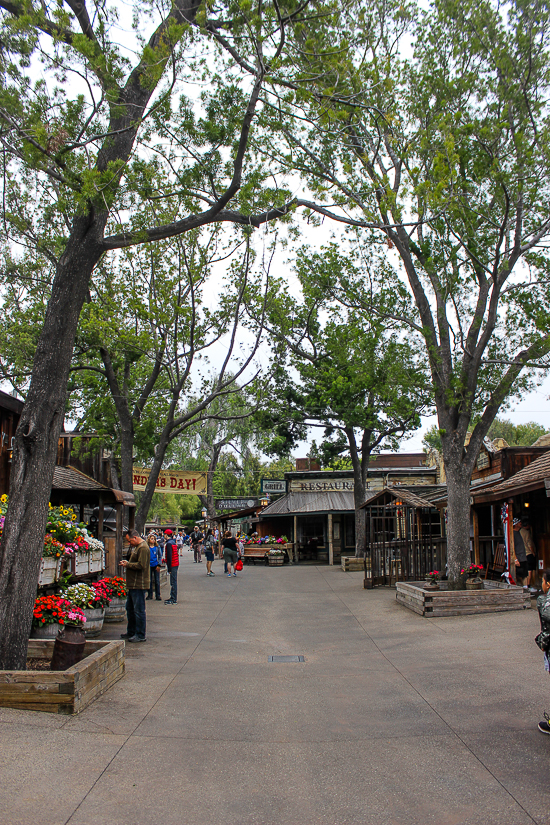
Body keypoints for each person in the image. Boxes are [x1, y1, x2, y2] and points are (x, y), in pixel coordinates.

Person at [119, 529, 150, 643]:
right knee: (130, 609)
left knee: (139, 610)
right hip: (133, 584)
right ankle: (131, 631)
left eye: (130, 541)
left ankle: (140, 634)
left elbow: (142, 565)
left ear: (135, 538)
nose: (129, 543)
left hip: (139, 583)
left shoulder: (143, 548)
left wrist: (128, 564)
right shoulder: (138, 547)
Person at [536, 571, 550, 734]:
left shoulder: (546, 601)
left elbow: (547, 627)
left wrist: (543, 643)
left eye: (543, 581)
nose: (542, 583)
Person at [520, 518, 538, 594]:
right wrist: (533, 552)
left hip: (522, 553)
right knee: (530, 570)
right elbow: (529, 544)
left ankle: (525, 585)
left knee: (525, 570)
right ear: (527, 525)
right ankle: (528, 585)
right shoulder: (526, 533)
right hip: (528, 553)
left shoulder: (519, 532)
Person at [163, 529, 179, 605]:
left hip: (172, 563)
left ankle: (173, 598)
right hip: (175, 563)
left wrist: (168, 568)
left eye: (164, 534)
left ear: (166, 535)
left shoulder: (169, 544)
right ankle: (173, 597)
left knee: (173, 581)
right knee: (174, 581)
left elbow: (169, 556)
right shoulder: (173, 542)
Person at [512, 518, 529, 589]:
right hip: (518, 558)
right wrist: (515, 559)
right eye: (519, 522)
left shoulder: (519, 532)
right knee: (518, 575)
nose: (520, 523)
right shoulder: (513, 534)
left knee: (525, 574)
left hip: (523, 556)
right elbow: (512, 548)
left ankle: (525, 588)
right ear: (515, 524)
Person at [146, 534, 162, 601]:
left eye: (154, 539)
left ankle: (158, 595)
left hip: (155, 564)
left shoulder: (157, 547)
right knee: (149, 580)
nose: (153, 540)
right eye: (151, 538)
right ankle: (150, 594)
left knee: (157, 580)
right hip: (149, 565)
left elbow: (160, 556)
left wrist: (159, 564)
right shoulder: (147, 547)